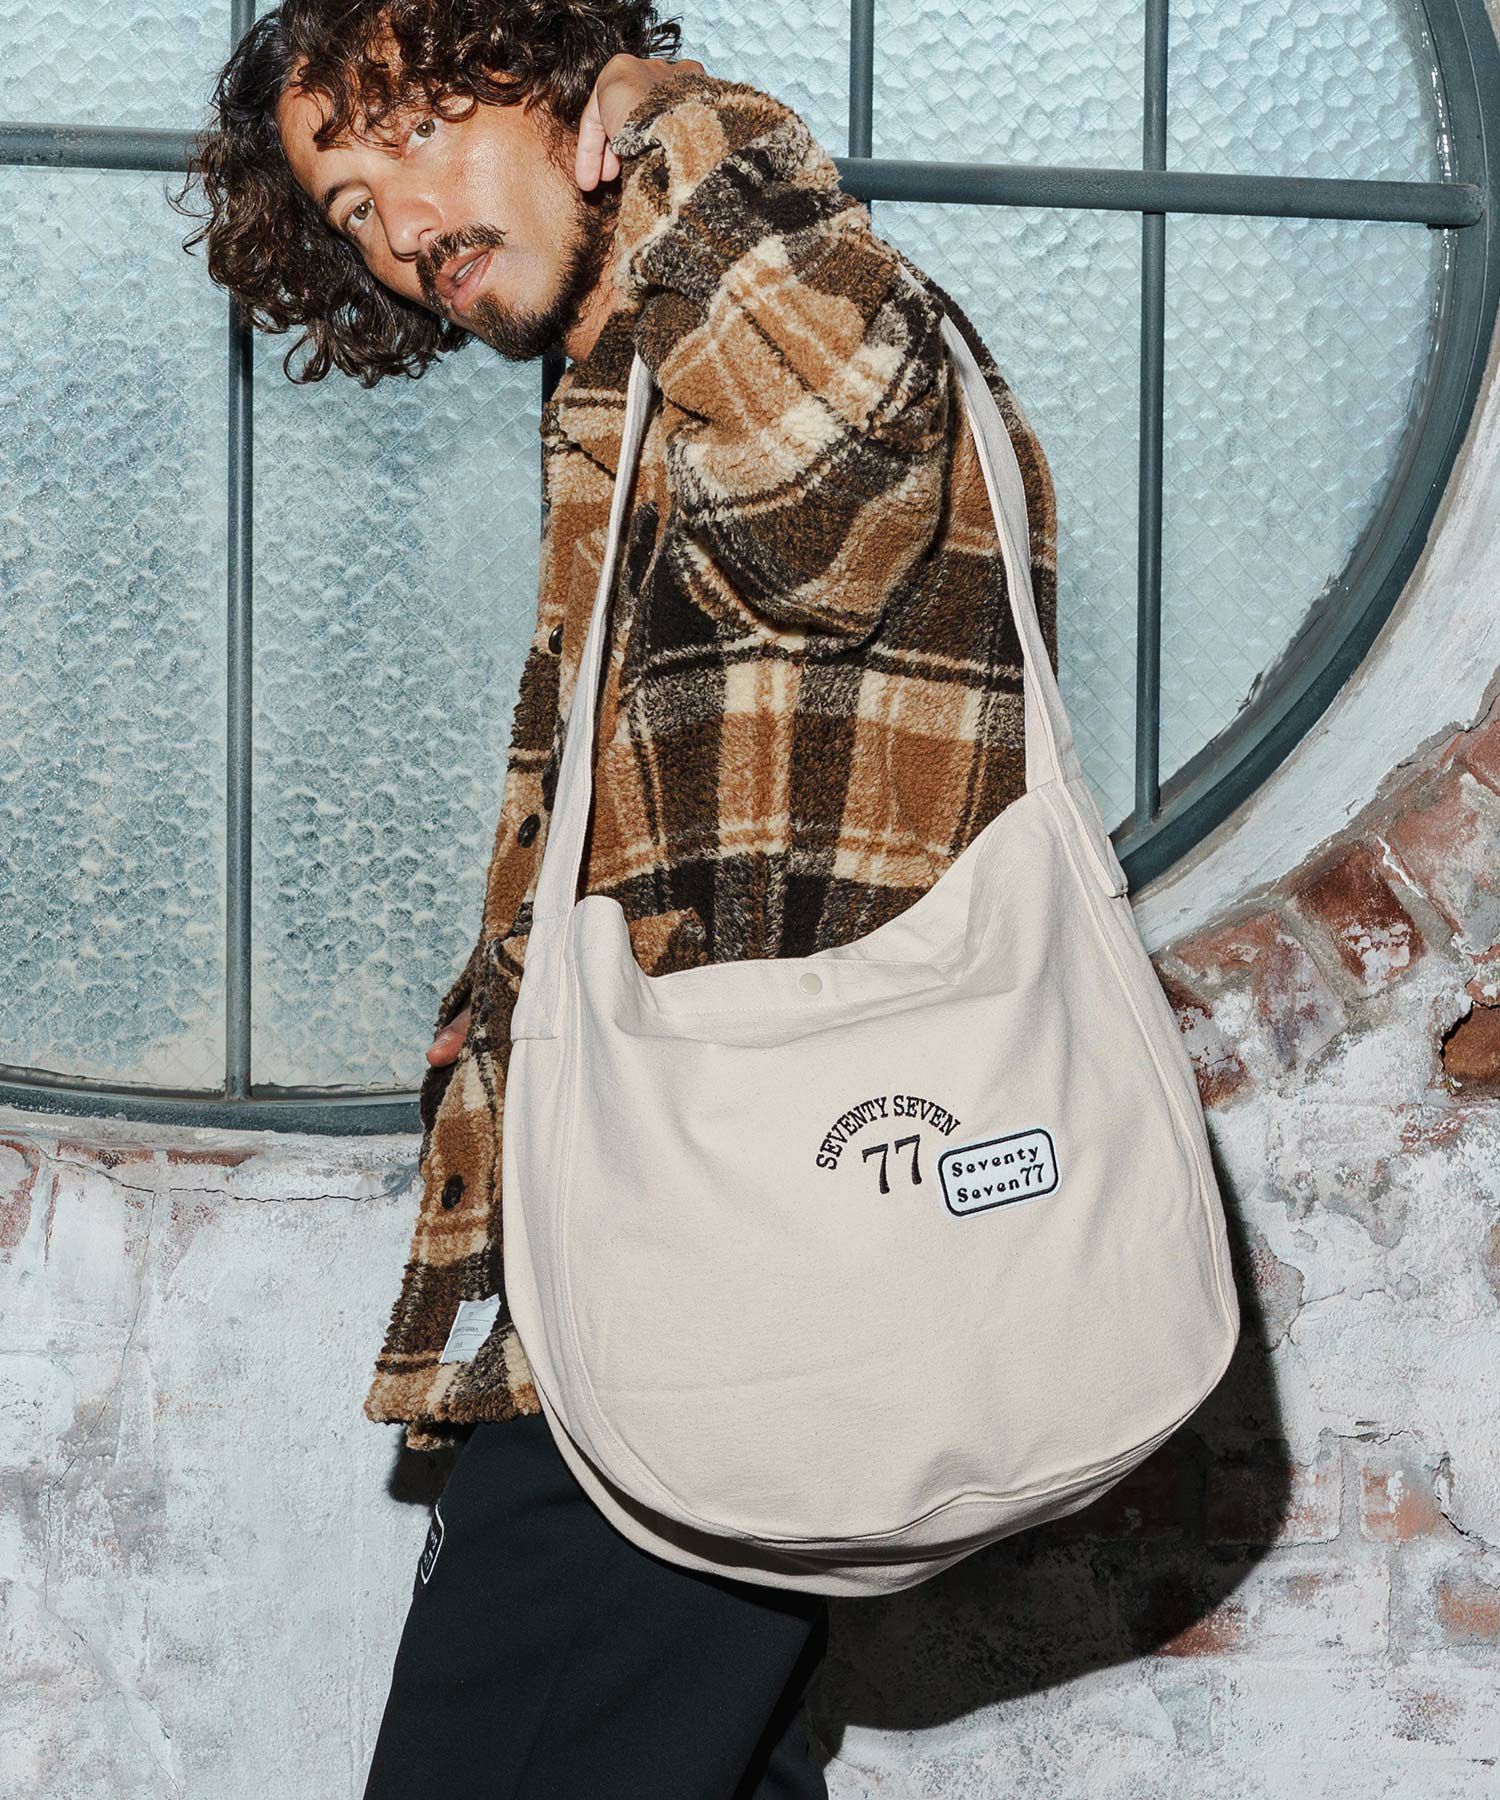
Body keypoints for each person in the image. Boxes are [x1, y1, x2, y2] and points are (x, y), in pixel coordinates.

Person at [176, 2, 1057, 1792]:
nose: (400, 228)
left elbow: (839, 517)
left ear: (541, 66)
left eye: (410, 133)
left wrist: (691, 128)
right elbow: (740, 786)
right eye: (350, 210)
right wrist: (518, 998)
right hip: (711, 1243)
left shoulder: (775, 288)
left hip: (736, 1277)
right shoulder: (637, 380)